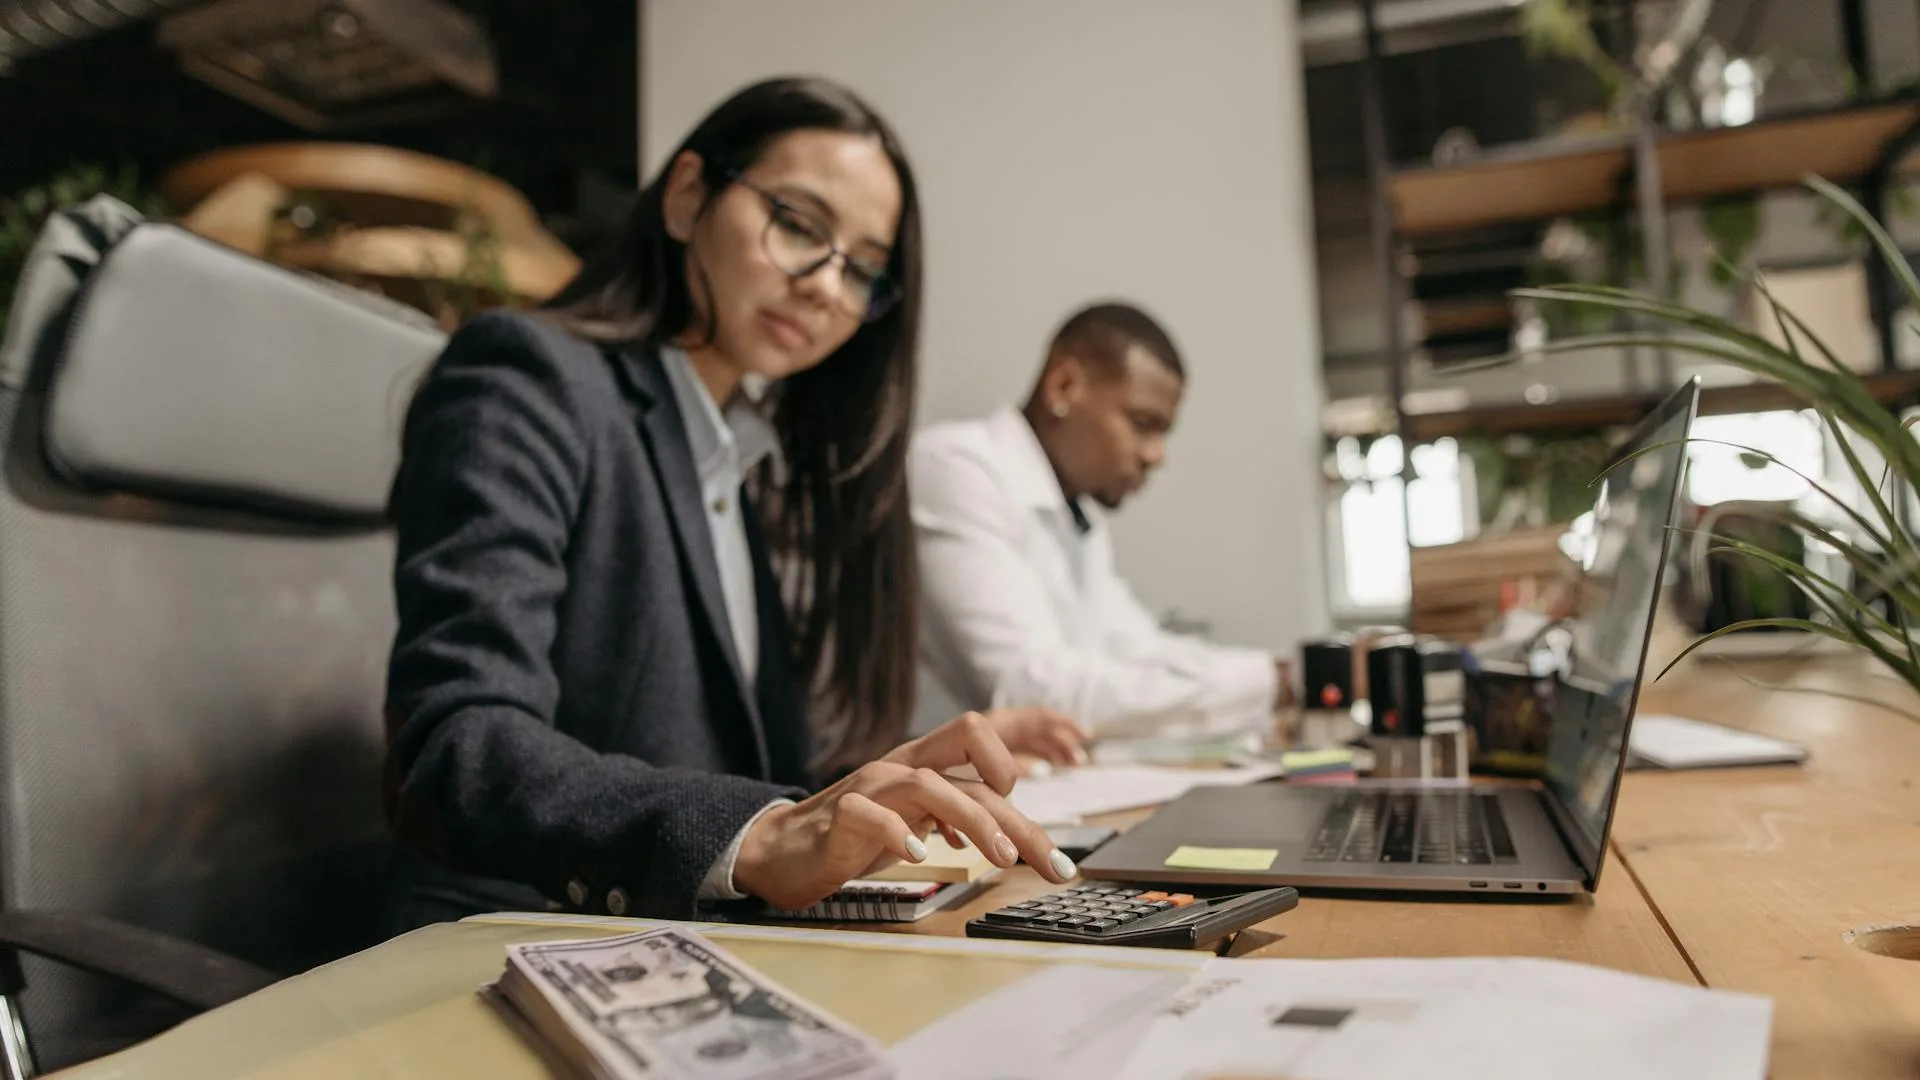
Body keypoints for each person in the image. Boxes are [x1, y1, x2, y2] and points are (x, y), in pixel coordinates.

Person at [380, 76, 1085, 932]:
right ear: (687, 198)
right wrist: (762, 833)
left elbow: (714, 761)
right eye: (799, 226)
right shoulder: (525, 377)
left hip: (684, 940)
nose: (828, 286)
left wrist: (900, 776)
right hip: (512, 942)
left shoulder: (731, 451)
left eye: (863, 268)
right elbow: (459, 742)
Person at [911, 302, 1293, 739]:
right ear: (1063, 385)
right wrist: (1277, 682)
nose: (1156, 455)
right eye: (1144, 423)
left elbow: (1139, 650)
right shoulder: (958, 468)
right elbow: (1031, 694)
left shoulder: (1079, 517)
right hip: (905, 794)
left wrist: (1285, 673)